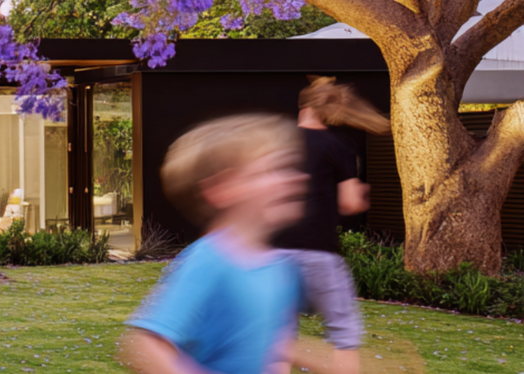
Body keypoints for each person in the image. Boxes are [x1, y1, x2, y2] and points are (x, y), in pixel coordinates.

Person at [120, 114, 314, 374]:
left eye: (292, 167)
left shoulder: (281, 268)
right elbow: (145, 344)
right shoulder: (211, 260)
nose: (295, 178)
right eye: (275, 169)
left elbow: (272, 348)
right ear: (224, 188)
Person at [273, 78, 383, 374]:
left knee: (279, 334)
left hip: (273, 254)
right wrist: (360, 194)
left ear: (304, 105)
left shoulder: (277, 140)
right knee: (343, 333)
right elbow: (349, 204)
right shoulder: (338, 146)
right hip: (317, 253)